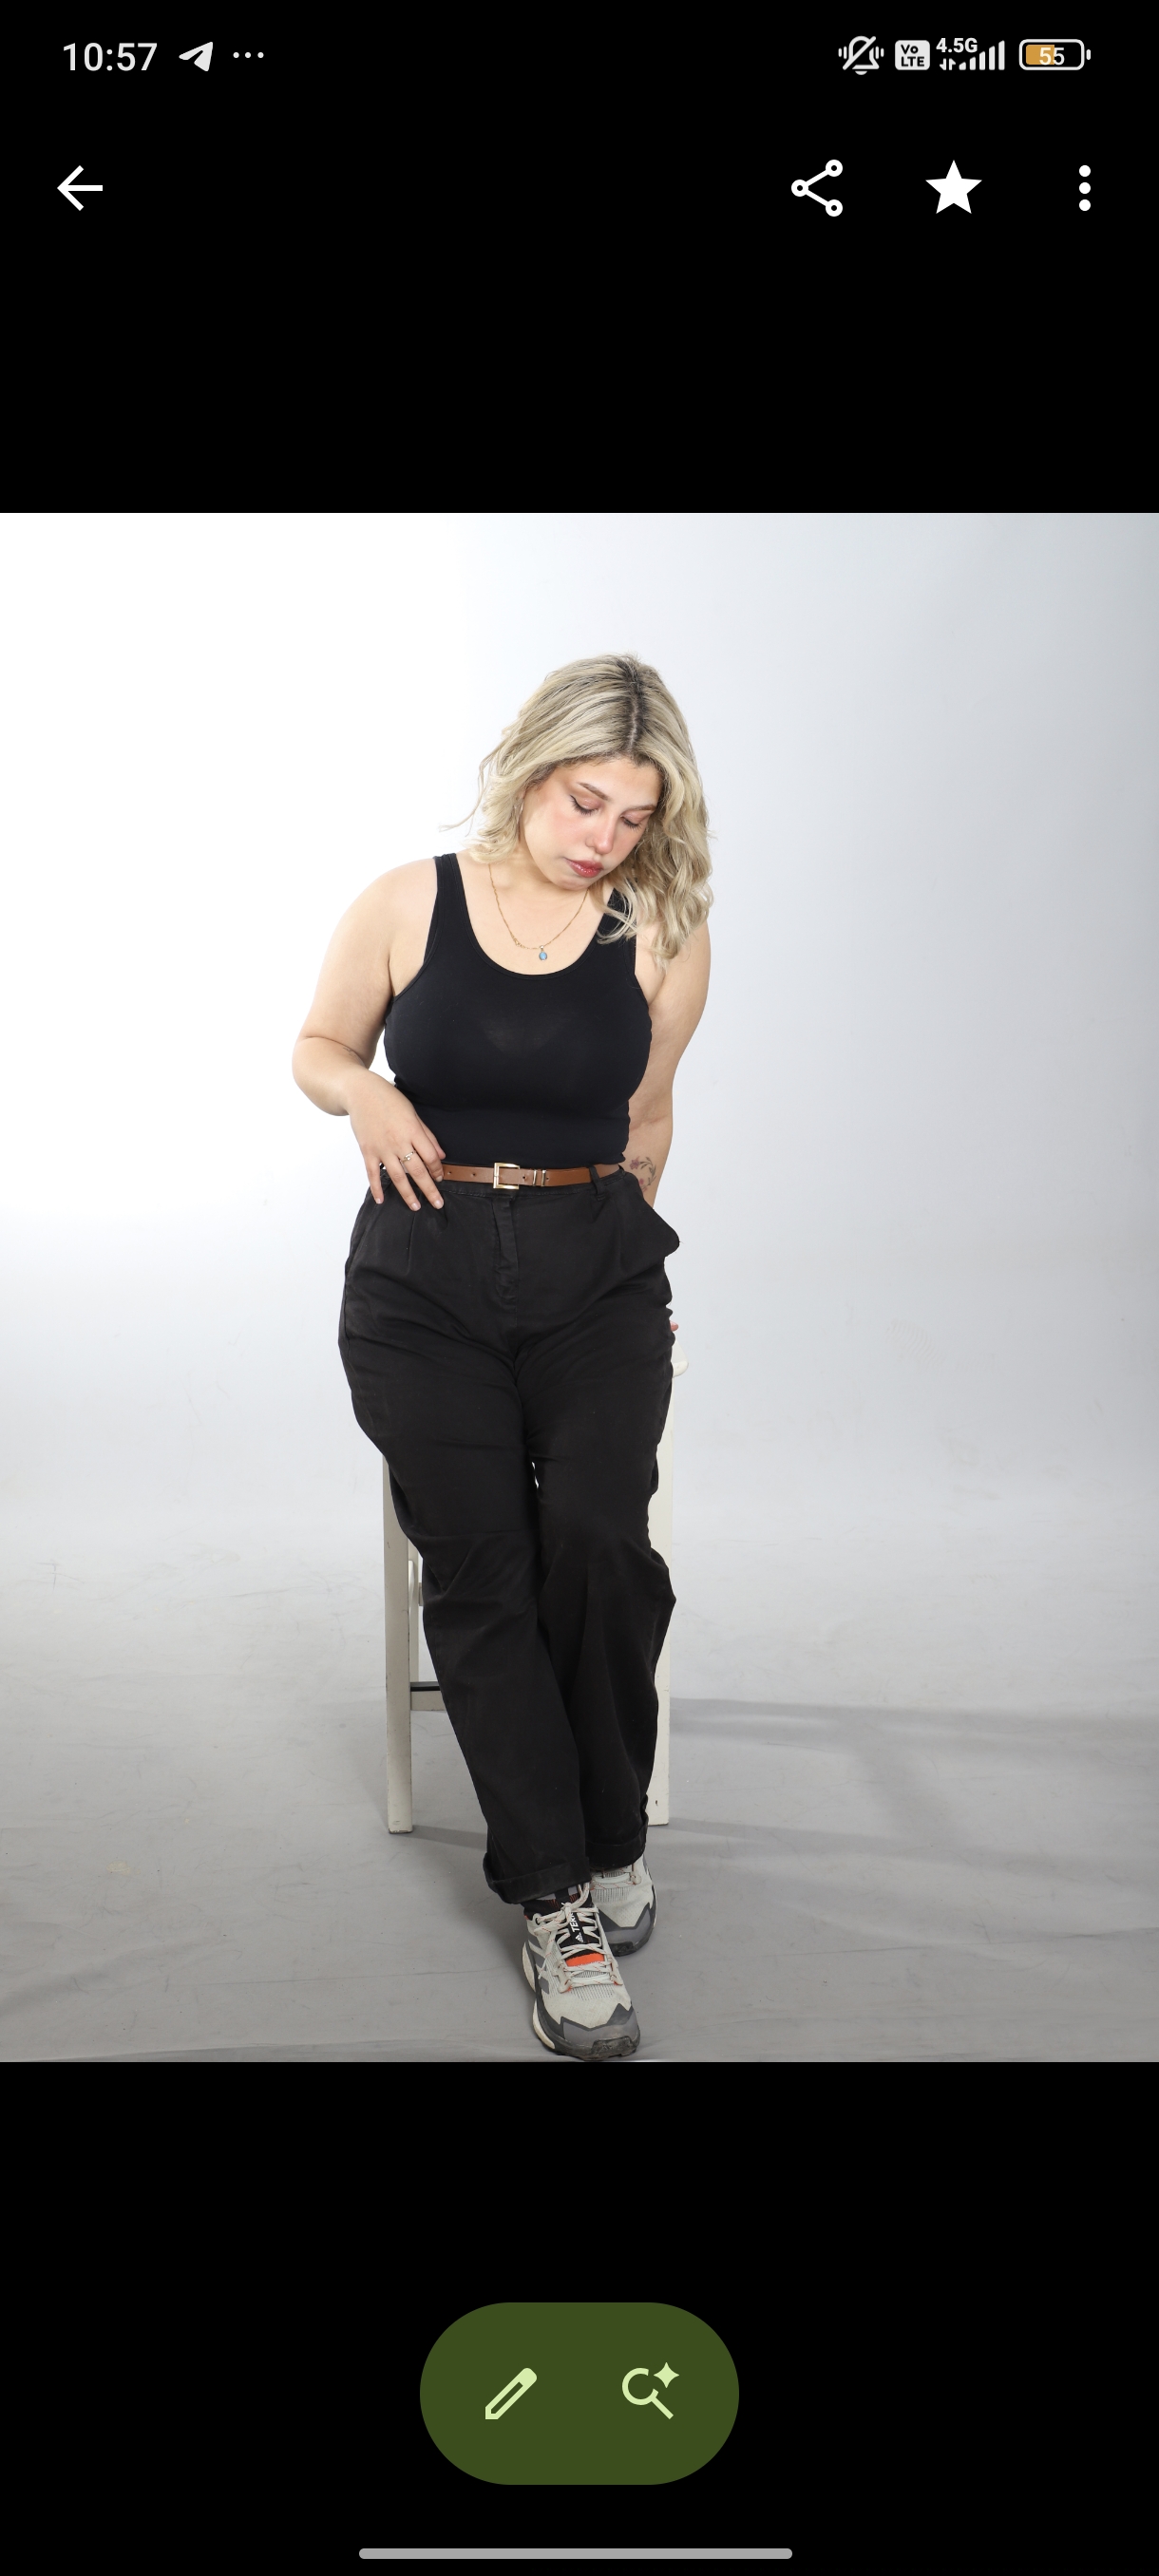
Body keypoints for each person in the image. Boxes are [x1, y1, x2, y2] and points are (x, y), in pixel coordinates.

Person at [292, 654, 712, 2059]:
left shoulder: (660, 929)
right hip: (423, 1284)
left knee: (597, 1540)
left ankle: (606, 1826)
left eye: (635, 816)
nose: (605, 837)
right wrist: (364, 1096)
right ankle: (557, 1897)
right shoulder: (410, 900)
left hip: (597, 1272)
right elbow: (316, 1046)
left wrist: (634, 1279)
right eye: (586, 800)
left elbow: (647, 1118)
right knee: (484, 1569)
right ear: (531, 770)